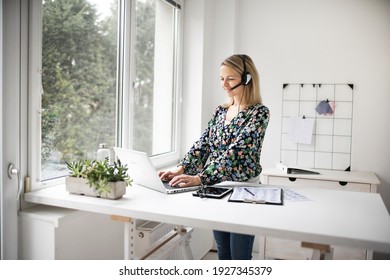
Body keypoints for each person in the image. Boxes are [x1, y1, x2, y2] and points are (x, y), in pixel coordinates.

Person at [159, 54, 270, 260]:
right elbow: (204, 144)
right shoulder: (221, 111)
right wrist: (180, 168)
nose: (224, 84)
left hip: (244, 193)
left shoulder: (259, 113)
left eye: (230, 78)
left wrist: (200, 178)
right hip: (217, 188)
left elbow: (237, 153)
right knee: (224, 254)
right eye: (221, 78)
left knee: (239, 258)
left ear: (246, 78)